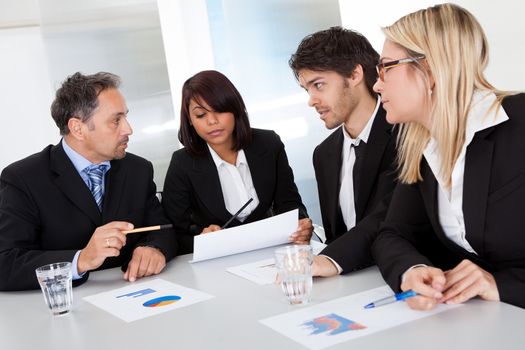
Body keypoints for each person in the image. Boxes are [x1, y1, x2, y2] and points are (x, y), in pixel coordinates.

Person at [372, 3, 525, 309]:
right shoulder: (424, 145)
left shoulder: (520, 124)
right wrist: (412, 271)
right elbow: (392, 233)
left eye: (386, 68)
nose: (377, 84)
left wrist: (503, 285)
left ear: (429, 68)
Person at [0, 72, 177, 291]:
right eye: (116, 120)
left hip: (133, 293)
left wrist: (154, 248)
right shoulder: (23, 179)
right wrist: (80, 260)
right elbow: (6, 262)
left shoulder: (138, 170)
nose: (128, 129)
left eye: (126, 117)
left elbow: (163, 228)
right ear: (78, 128)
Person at [162, 70, 312, 254]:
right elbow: (173, 233)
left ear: (234, 108)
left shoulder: (269, 144)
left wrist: (301, 225)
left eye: (219, 109)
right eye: (201, 115)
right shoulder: (182, 164)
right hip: (218, 263)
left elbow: (290, 205)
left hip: (273, 253)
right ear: (190, 121)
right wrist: (201, 239)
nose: (212, 121)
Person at [289, 27, 397, 276]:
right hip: (348, 283)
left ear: (355, 74)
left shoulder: (406, 134)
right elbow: (336, 236)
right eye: (307, 89)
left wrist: (329, 259)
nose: (311, 100)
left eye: (319, 85)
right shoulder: (324, 154)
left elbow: (388, 217)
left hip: (400, 277)